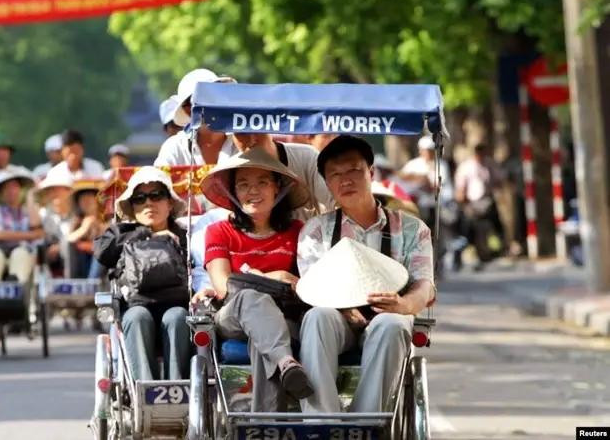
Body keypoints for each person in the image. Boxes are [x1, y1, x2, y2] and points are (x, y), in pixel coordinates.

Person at [296, 135, 435, 414]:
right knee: (316, 316)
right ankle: (323, 426)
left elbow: (424, 286)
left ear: (371, 173)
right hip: (338, 318)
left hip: (389, 315)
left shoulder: (412, 229)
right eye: (335, 174)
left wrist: (404, 305)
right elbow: (313, 288)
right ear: (327, 183)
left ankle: (367, 424)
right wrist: (344, 308)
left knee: (392, 324)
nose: (345, 180)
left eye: (353, 171)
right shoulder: (315, 231)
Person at [192, 148, 314, 412]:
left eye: (262, 182)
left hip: (282, 321)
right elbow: (224, 285)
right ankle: (286, 363)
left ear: (277, 188)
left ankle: (267, 424)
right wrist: (276, 277)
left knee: (262, 340)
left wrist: (283, 280)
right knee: (250, 298)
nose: (253, 191)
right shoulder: (218, 231)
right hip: (233, 314)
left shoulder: (297, 232)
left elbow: (308, 284)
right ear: (233, 193)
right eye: (243, 185)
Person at [93, 166, 191, 380]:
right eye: (140, 198)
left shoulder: (186, 235)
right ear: (132, 206)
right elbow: (102, 252)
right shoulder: (121, 233)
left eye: (156, 195)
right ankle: (146, 394)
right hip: (135, 306)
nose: (149, 203)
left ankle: (178, 392)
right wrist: (147, 233)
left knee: (178, 318)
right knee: (137, 318)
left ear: (170, 202)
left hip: (177, 305)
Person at [229, 132, 335, 221]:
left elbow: (333, 205)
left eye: (257, 131)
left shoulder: (306, 156)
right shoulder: (228, 168)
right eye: (242, 134)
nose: (252, 139)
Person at [154, 68, 238, 167]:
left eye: (209, 97)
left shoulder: (242, 141)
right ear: (186, 110)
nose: (201, 108)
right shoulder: (176, 147)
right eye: (189, 104)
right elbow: (159, 178)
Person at [0, 169, 44, 283]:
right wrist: (30, 235)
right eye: (7, 188)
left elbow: (38, 230)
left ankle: (15, 284)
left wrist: (30, 197)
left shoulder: (27, 211)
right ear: (1, 193)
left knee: (20, 252)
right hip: (0, 251)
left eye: (15, 187)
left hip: (23, 253)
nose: (11, 191)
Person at [454, 143, 505, 268]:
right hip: (471, 203)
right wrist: (462, 199)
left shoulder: (489, 165)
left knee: (493, 228)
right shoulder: (467, 166)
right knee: (470, 230)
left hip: (487, 202)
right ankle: (470, 255)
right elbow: (461, 186)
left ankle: (490, 253)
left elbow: (499, 181)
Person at [400, 135, 453, 229]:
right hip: (416, 206)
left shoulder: (442, 165)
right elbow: (403, 181)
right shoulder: (413, 164)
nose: (428, 153)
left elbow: (438, 185)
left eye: (430, 150)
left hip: (436, 207)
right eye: (425, 150)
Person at [37, 166, 75, 277]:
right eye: (50, 190)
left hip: (73, 259)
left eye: (58, 189)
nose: (54, 193)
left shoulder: (78, 214)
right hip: (50, 259)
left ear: (68, 191)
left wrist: (60, 246)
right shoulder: (43, 214)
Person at [67, 180, 107, 278]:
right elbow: (68, 240)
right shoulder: (76, 221)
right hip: (79, 265)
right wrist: (84, 228)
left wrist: (99, 227)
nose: (86, 202)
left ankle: (91, 283)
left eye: (89, 198)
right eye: (83, 199)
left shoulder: (106, 220)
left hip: (99, 267)